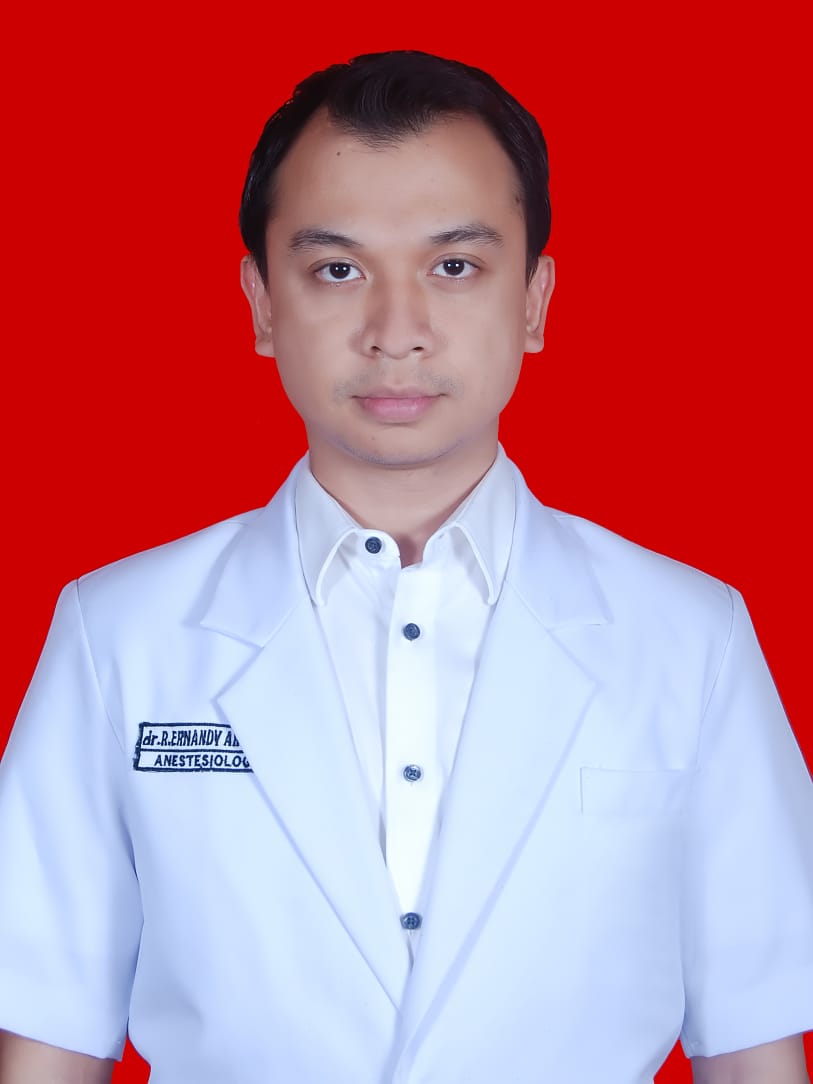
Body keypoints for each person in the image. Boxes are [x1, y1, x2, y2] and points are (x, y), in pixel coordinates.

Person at [0, 49, 811, 1084]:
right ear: (261, 303)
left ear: (534, 299)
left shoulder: (691, 636)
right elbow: (46, 1039)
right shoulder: (117, 633)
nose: (396, 334)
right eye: (338, 271)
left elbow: (754, 1046)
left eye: (454, 267)